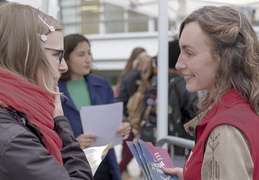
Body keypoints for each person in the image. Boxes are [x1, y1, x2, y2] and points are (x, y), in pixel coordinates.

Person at [162, 6, 259, 180]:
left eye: (189, 53)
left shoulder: (226, 129)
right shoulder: (242, 106)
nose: (178, 64)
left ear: (225, 59)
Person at [0, 2, 93, 180]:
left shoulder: (15, 115)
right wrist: (60, 122)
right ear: (25, 55)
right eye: (57, 55)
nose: (64, 66)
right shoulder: (12, 136)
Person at [58, 33, 131, 180]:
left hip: (105, 162)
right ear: (66, 58)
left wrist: (123, 126)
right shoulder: (54, 89)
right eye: (81, 54)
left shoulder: (102, 84)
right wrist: (73, 144)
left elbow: (113, 119)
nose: (88, 59)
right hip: (71, 163)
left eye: (89, 53)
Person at [140, 39, 198, 156]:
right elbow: (195, 113)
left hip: (153, 145)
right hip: (178, 148)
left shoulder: (155, 82)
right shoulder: (183, 84)